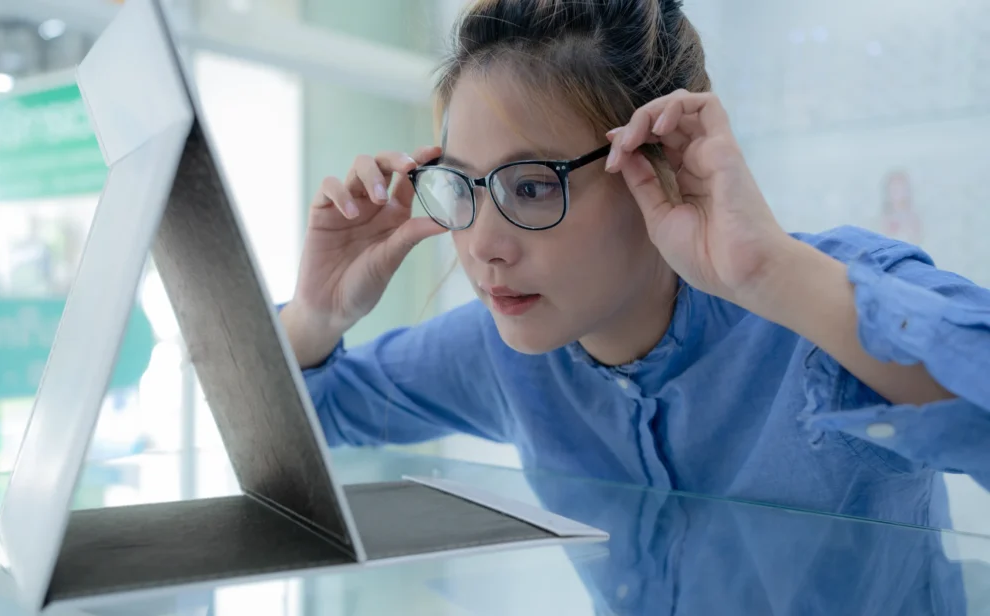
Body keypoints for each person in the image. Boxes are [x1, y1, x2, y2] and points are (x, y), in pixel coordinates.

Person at [279, 0, 990, 534]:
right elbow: (311, 420)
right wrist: (318, 317)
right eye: (464, 187)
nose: (482, 245)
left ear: (655, 161)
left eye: (530, 186)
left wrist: (767, 275)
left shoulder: (818, 298)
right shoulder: (503, 347)